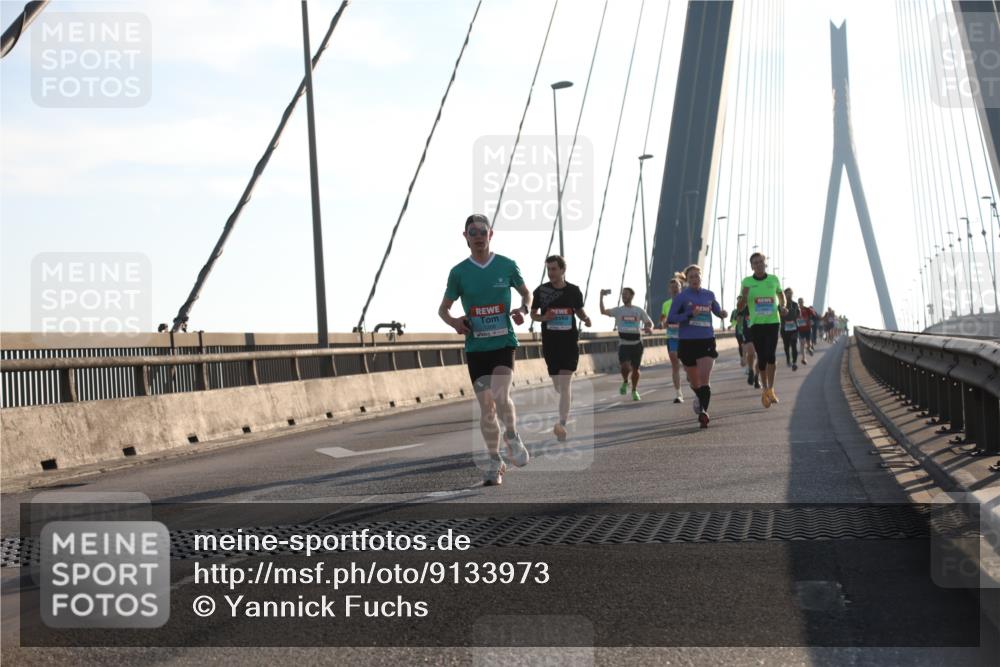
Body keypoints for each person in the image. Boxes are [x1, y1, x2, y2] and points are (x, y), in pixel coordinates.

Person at [438, 213, 532, 486]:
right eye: (473, 232)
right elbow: (443, 309)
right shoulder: (459, 272)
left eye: (483, 231)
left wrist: (524, 309)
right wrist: (455, 322)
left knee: (501, 395)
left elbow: (527, 293)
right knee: (487, 408)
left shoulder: (506, 265)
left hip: (503, 343)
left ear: (491, 234)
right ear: (465, 236)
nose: (478, 236)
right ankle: (494, 461)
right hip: (477, 348)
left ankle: (512, 436)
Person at [531, 255, 592, 442]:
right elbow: (533, 315)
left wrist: (586, 319)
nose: (550, 273)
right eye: (548, 269)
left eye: (554, 269)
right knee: (559, 386)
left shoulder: (573, 291)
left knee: (565, 384)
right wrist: (544, 318)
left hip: (569, 343)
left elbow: (578, 310)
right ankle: (566, 404)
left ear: (563, 270)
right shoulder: (541, 291)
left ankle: (562, 424)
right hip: (551, 344)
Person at [667, 264, 728, 428]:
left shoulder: (709, 294)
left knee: (704, 379)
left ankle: (703, 413)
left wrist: (721, 313)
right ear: (687, 280)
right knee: (695, 382)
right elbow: (671, 318)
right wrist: (689, 314)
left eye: (697, 276)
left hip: (706, 340)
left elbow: (716, 309)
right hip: (687, 342)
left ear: (701, 277)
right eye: (691, 277)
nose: (695, 279)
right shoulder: (681, 297)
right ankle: (699, 398)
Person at [737, 252, 786, 408]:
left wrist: (782, 306)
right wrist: (744, 297)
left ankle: (771, 389)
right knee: (762, 358)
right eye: (755, 263)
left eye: (761, 261)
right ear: (752, 266)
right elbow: (740, 307)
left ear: (765, 263)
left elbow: (781, 295)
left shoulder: (773, 279)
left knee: (771, 355)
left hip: (773, 322)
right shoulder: (747, 282)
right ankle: (764, 389)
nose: (758, 264)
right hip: (756, 325)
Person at [600, 287, 654, 401]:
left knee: (635, 369)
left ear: (632, 296)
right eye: (623, 294)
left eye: (626, 294)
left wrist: (649, 328)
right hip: (624, 344)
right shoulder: (618, 310)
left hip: (637, 344)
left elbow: (649, 322)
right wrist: (601, 297)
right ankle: (625, 381)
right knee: (625, 367)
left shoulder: (638, 310)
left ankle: (634, 390)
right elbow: (603, 311)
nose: (624, 296)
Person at [659, 274, 686, 403]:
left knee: (687, 364)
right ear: (669, 290)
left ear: (681, 288)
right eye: (672, 287)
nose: (675, 289)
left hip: (686, 337)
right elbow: (662, 318)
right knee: (675, 364)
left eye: (677, 286)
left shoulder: (686, 302)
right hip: (672, 337)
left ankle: (689, 372)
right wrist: (663, 323)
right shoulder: (666, 304)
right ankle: (678, 393)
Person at [780, 288, 801, 371]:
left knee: (794, 344)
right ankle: (788, 358)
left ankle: (794, 362)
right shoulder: (781, 305)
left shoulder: (795, 304)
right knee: (786, 346)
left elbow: (799, 314)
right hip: (784, 329)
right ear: (784, 294)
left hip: (794, 328)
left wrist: (797, 315)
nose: (789, 295)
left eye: (791, 293)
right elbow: (778, 315)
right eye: (788, 293)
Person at [796, 298, 814, 364]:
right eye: (799, 302)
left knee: (808, 344)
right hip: (800, 329)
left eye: (801, 302)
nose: (800, 303)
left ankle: (809, 348)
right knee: (802, 343)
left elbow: (813, 315)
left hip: (807, 328)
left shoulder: (807, 309)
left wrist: (809, 319)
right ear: (798, 303)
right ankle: (804, 358)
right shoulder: (796, 310)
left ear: (803, 302)